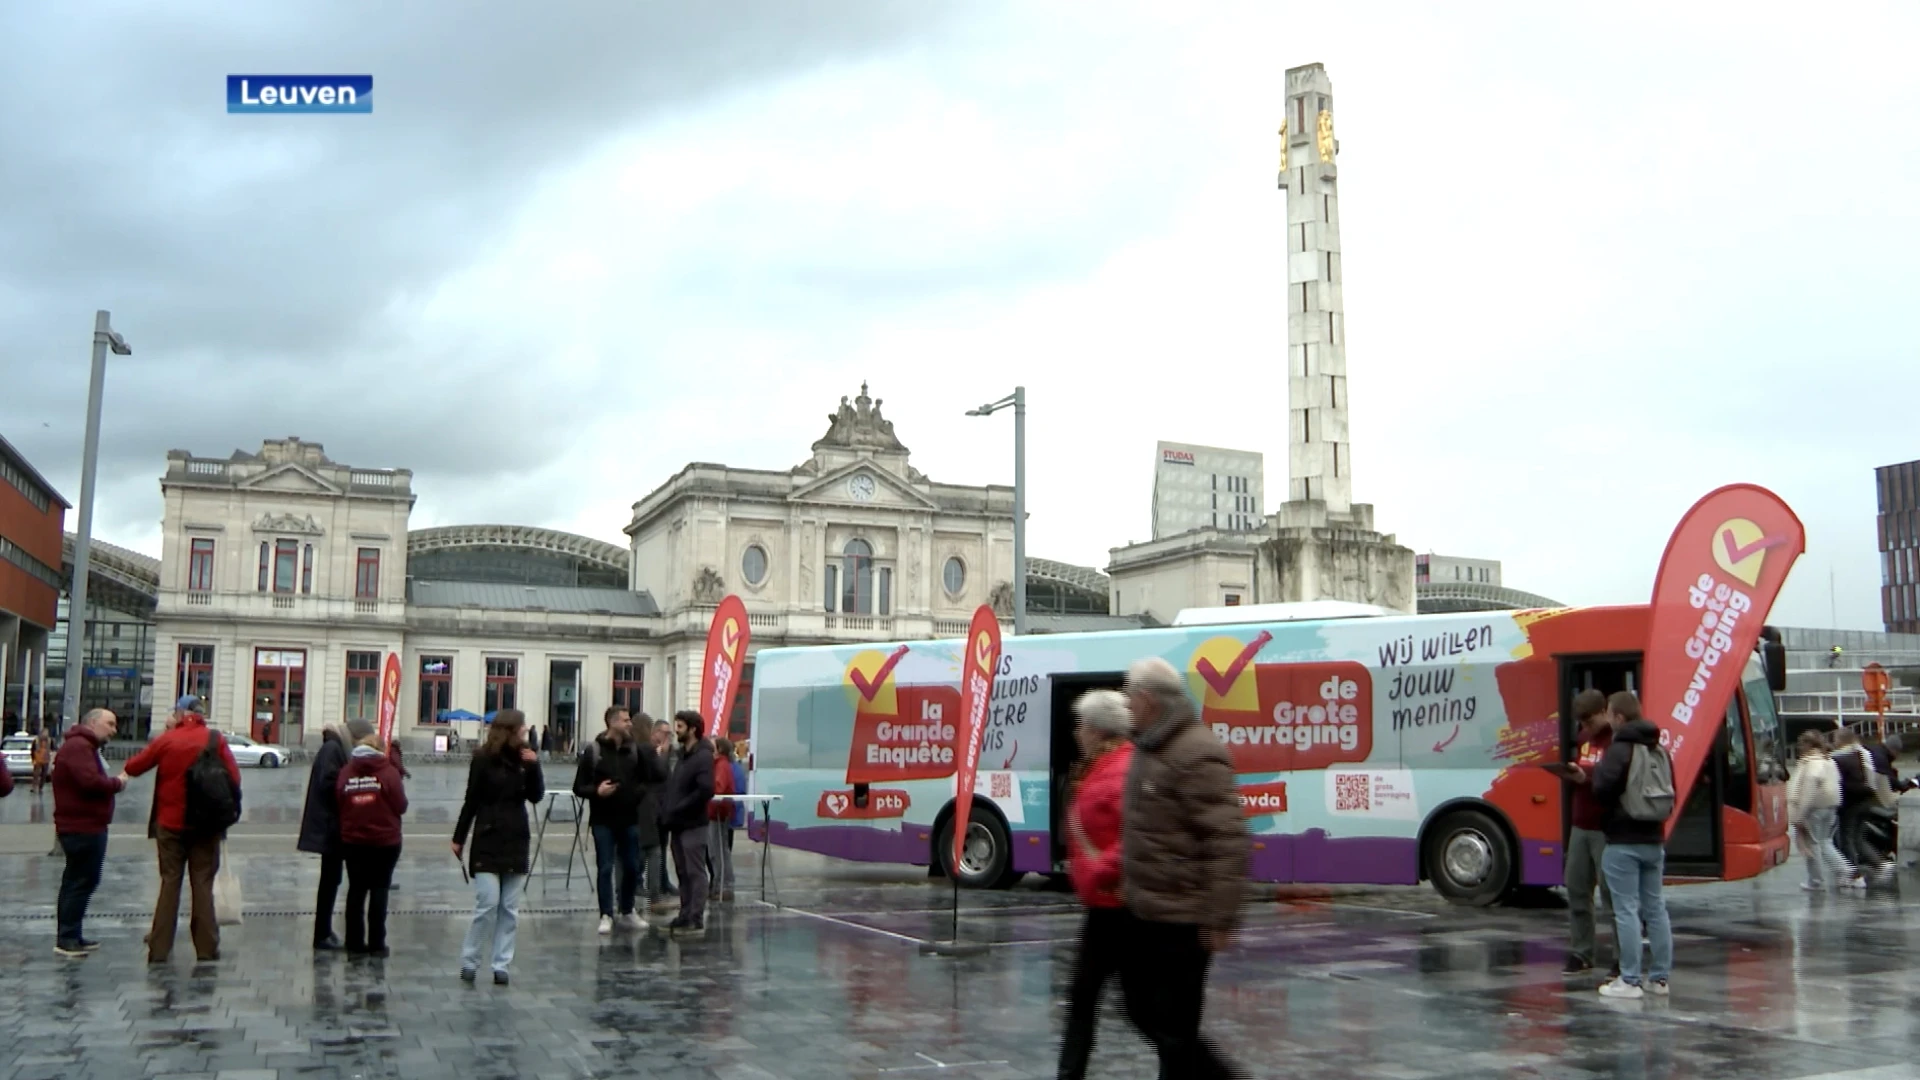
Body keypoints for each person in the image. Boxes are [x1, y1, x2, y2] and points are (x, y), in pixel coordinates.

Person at [1118, 657, 1246, 1078]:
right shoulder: (1148, 747)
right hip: (1147, 911)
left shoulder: (1196, 752)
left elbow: (1226, 838)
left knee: (1174, 1031)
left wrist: (1219, 917)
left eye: (1129, 697)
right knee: (1138, 1006)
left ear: (1147, 699)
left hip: (1184, 918)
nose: (1126, 706)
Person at [122, 695, 241, 964]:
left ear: (179, 713)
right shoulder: (214, 739)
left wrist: (166, 735)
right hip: (206, 825)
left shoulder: (168, 739)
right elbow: (234, 777)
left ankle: (160, 948)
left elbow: (134, 766)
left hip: (170, 823)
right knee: (202, 884)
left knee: (170, 883)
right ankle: (207, 948)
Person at [1056, 689, 1136, 1080]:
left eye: (1081, 724)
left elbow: (1136, 834)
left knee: (1149, 1013)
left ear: (1097, 729)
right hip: (1102, 907)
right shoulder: (1101, 766)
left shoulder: (1120, 770)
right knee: (1082, 997)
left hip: (1121, 907)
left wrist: (1100, 869)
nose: (1076, 732)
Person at [452, 707, 545, 985]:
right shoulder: (482, 758)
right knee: (488, 903)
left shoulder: (525, 758)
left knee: (509, 907)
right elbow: (471, 799)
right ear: (510, 730)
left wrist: (535, 765)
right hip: (488, 835)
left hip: (516, 836)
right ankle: (470, 960)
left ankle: (501, 963)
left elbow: (536, 796)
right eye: (522, 727)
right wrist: (459, 837)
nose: (526, 730)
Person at [1591, 690, 1673, 999]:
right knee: (1655, 908)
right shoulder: (1658, 748)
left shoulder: (1619, 749)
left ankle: (1629, 979)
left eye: (1610, 714)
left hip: (1623, 839)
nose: (1608, 719)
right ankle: (1660, 978)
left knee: (1625, 909)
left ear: (1619, 718)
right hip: (1654, 837)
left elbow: (1602, 789)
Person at [572, 705, 663, 934]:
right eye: (625, 720)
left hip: (629, 818)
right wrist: (596, 791)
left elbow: (648, 779)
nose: (629, 724)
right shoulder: (594, 751)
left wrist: (635, 795)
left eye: (629, 720)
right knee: (605, 867)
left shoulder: (635, 750)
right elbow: (578, 787)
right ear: (612, 723)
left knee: (632, 866)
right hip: (603, 819)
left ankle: (627, 909)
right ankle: (606, 914)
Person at [52, 708, 125, 957]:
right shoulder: (79, 748)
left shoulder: (83, 747)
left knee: (79, 881)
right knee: (80, 881)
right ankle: (67, 938)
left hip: (84, 825)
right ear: (93, 723)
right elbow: (91, 783)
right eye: (110, 724)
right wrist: (118, 783)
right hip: (82, 827)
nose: (114, 730)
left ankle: (72, 934)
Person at [1553, 689, 1615, 976]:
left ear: (1605, 712)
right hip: (1581, 824)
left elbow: (1615, 780)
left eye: (1590, 722)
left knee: (1613, 895)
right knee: (1577, 888)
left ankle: (1622, 956)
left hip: (1605, 827)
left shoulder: (1615, 741)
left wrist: (1586, 777)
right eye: (1582, 723)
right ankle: (1581, 952)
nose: (1586, 728)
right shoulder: (1583, 739)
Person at [336, 718, 407, 958]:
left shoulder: (346, 771)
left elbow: (339, 801)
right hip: (385, 841)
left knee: (356, 890)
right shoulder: (388, 773)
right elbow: (401, 805)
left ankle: (354, 943)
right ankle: (377, 943)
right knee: (380, 890)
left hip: (353, 840)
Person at [662, 710, 716, 937]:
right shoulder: (684, 755)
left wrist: (681, 806)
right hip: (678, 823)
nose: (676, 730)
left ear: (693, 729)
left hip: (693, 823)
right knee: (683, 871)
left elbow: (706, 789)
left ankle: (695, 917)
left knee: (695, 871)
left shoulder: (702, 756)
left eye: (681, 726)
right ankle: (685, 914)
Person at [297, 726, 350, 951]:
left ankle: (325, 931)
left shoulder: (333, 748)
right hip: (329, 826)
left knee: (331, 880)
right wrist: (348, 787)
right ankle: (322, 934)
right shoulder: (332, 749)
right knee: (329, 882)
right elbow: (329, 783)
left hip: (329, 825)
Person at [1788, 730, 1851, 891]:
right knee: (1825, 842)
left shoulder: (1811, 763)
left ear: (1810, 745)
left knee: (1812, 845)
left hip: (1813, 809)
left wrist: (1800, 814)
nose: (1799, 747)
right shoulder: (1828, 760)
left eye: (1802, 743)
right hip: (1830, 807)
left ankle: (1816, 880)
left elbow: (1808, 790)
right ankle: (1846, 872)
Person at [649, 718, 679, 909]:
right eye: (665, 733)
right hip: (653, 807)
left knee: (662, 846)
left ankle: (663, 880)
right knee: (653, 849)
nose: (668, 737)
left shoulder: (668, 754)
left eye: (670, 734)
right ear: (655, 733)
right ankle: (654, 886)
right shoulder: (653, 752)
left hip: (665, 807)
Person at [708, 737, 738, 903]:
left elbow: (718, 787)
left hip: (717, 812)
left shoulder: (721, 765)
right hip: (714, 812)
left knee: (719, 851)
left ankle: (725, 885)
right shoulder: (720, 765)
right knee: (716, 851)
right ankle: (721, 884)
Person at [30, 725, 50, 795]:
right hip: (38, 759)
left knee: (44, 775)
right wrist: (33, 759)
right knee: (36, 774)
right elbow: (32, 750)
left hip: (46, 760)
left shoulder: (50, 740)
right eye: (44, 732)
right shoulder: (36, 741)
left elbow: (53, 749)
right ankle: (33, 787)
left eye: (46, 733)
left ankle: (40, 787)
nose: (45, 734)